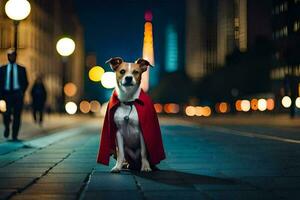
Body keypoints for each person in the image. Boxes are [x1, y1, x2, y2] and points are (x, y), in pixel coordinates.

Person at [0, 48, 28, 141]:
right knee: (6, 114)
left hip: (17, 94)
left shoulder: (21, 69)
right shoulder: (2, 69)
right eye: (10, 55)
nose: (11, 57)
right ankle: (7, 127)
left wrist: (21, 92)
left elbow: (25, 82)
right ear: (7, 57)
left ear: (16, 57)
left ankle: (14, 135)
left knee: (17, 115)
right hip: (6, 94)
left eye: (13, 55)